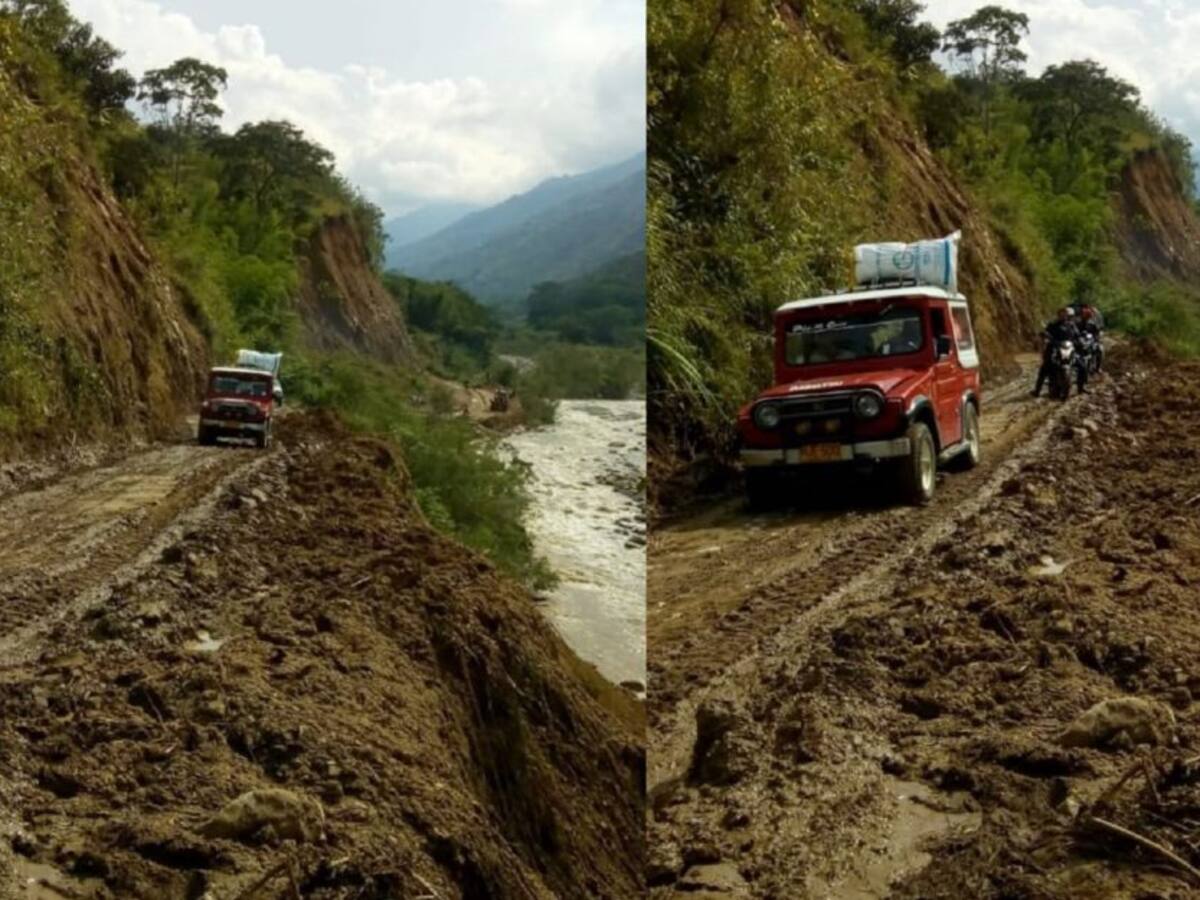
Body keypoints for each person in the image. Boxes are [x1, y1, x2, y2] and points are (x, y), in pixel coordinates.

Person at [1033, 307, 1085, 397]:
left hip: (1069, 349)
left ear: (1067, 315)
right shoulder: (1053, 325)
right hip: (1055, 348)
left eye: (1065, 314)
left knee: (1082, 366)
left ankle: (1081, 388)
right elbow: (1046, 333)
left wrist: (1080, 340)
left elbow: (1077, 335)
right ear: (1058, 315)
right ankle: (1037, 390)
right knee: (1045, 367)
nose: (1063, 316)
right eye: (1061, 314)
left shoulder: (1071, 325)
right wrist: (1046, 336)